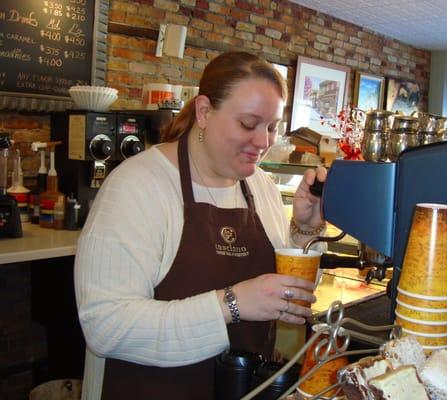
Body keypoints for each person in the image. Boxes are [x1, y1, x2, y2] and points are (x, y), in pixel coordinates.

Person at [74, 51, 327, 399]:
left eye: (272, 128)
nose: (263, 142)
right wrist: (233, 303)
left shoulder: (261, 187)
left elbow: (288, 297)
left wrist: (305, 232)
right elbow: (106, 328)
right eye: (248, 124)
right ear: (205, 112)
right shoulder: (137, 185)